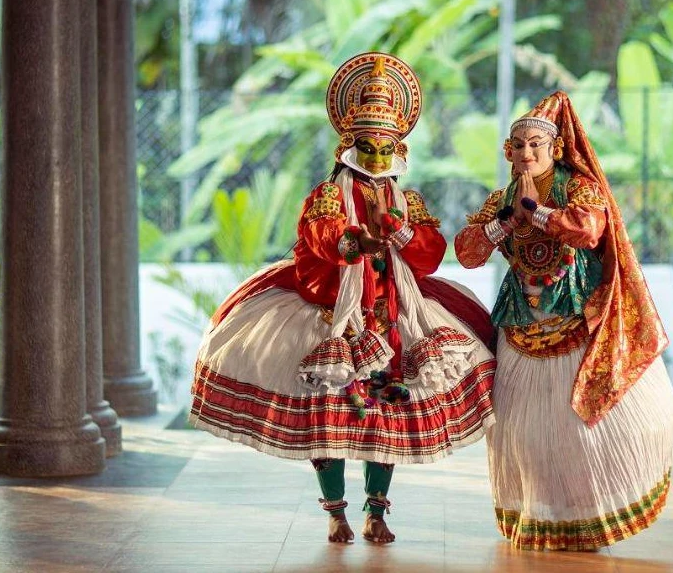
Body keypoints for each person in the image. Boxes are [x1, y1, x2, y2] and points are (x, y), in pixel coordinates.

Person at [188, 52, 498, 544]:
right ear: (347, 147)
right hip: (334, 318)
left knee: (387, 415)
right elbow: (323, 239)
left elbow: (430, 254)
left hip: (394, 318)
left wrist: (395, 231)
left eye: (385, 150)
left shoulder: (405, 200)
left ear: (399, 150)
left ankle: (378, 510)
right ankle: (335, 512)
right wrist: (362, 239)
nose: (377, 160)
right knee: (328, 419)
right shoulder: (329, 196)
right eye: (368, 149)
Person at [454, 91, 673, 551]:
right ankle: (540, 516)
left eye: (536, 144)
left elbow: (589, 228)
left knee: (585, 430)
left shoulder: (578, 187)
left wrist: (536, 215)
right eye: (518, 146)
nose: (527, 153)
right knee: (520, 433)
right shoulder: (502, 198)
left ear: (555, 148)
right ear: (508, 152)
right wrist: (505, 224)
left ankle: (589, 516)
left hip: (576, 321)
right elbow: (466, 250)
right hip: (521, 326)